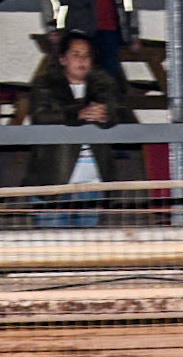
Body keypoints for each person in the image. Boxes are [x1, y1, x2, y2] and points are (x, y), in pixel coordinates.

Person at [23, 30, 121, 227]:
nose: (82, 60)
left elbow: (122, 113)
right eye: (75, 55)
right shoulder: (45, 85)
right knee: (50, 248)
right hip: (53, 181)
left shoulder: (105, 85)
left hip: (94, 182)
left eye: (87, 55)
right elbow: (40, 116)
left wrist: (106, 114)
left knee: (85, 250)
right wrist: (77, 114)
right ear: (62, 59)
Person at [41, 0, 140, 90]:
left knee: (106, 81)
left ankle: (103, 106)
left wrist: (133, 33)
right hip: (77, 31)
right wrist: (52, 28)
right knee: (74, 78)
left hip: (110, 33)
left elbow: (130, 4)